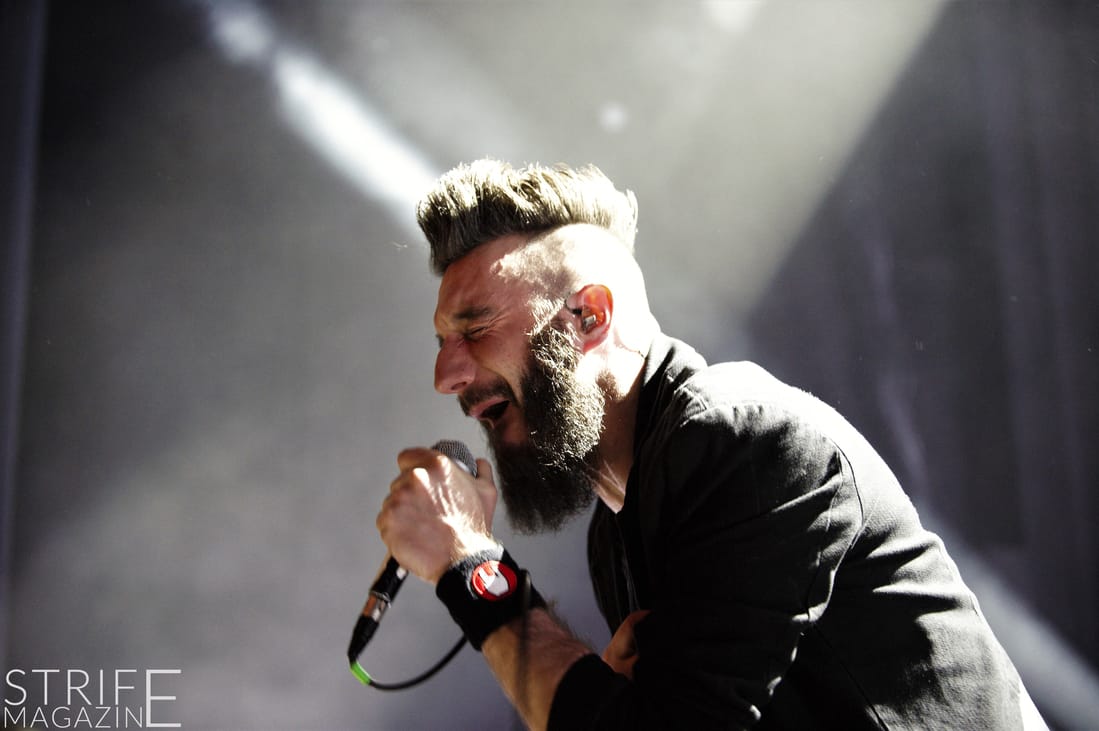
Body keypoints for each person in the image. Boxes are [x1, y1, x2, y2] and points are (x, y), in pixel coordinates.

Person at [376, 159, 1044, 729]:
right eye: (442, 342)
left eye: (476, 328)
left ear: (589, 316)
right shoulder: (618, 532)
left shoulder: (742, 441)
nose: (446, 375)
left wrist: (469, 562)